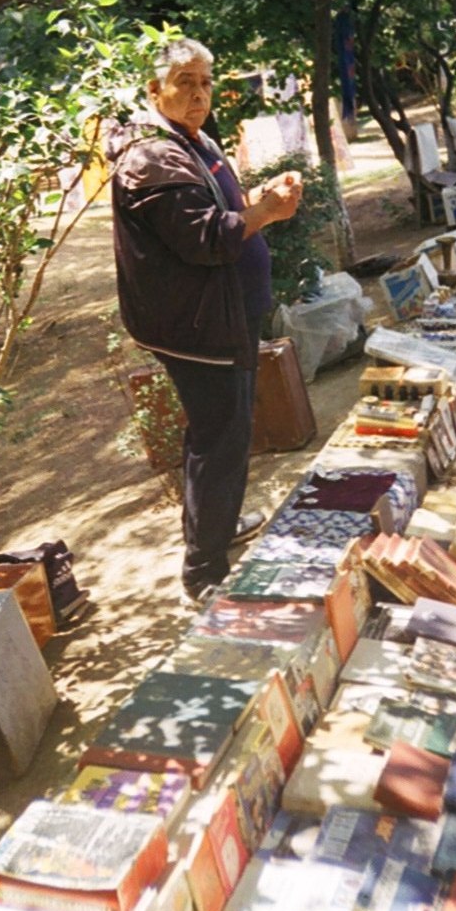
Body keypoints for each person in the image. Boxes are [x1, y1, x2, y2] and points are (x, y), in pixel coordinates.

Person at [106, 37, 303, 602]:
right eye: (185, 82)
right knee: (221, 436)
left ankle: (215, 528)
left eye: (205, 83)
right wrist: (265, 211)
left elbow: (225, 209)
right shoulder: (151, 157)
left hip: (223, 314)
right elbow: (205, 237)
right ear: (154, 90)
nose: (198, 94)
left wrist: (259, 200)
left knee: (224, 430)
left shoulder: (191, 140)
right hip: (196, 327)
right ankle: (204, 573)